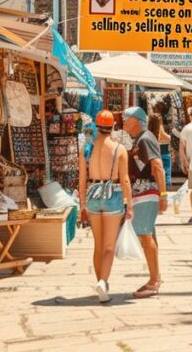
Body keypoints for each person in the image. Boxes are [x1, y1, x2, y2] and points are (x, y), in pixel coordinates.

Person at [78, 110, 133, 304]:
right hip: (113, 195)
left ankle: (100, 283)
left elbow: (82, 180)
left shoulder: (87, 148)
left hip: (93, 194)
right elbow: (125, 179)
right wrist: (130, 204)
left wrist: (82, 205)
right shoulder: (119, 149)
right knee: (109, 247)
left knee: (98, 246)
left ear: (96, 126)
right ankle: (103, 282)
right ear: (113, 127)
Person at [122, 106, 167, 298]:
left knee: (145, 236)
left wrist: (163, 194)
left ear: (137, 120)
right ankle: (155, 276)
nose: (123, 119)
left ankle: (154, 281)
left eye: (127, 117)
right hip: (142, 193)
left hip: (147, 193)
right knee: (148, 236)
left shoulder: (145, 138)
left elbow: (157, 166)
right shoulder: (139, 139)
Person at [148, 113, 173, 188]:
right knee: (166, 172)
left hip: (154, 153)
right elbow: (164, 136)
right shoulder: (160, 126)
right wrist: (171, 138)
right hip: (164, 150)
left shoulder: (148, 129)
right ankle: (165, 189)